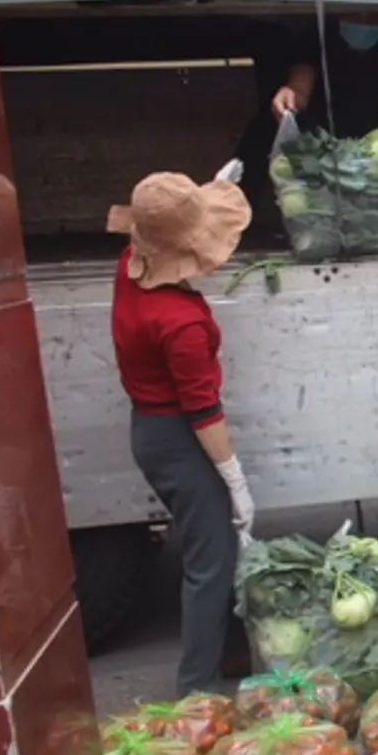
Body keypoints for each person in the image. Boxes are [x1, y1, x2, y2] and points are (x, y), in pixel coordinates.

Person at [108, 165, 257, 697]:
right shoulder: (179, 322)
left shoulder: (131, 265)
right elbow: (204, 413)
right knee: (210, 561)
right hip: (181, 440)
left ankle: (233, 652)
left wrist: (198, 192)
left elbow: (150, 226)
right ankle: (199, 689)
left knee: (215, 545)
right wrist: (236, 481)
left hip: (151, 427)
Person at [271, 11, 378, 135]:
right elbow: (299, 87)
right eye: (354, 12)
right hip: (324, 143)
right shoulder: (318, 36)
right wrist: (290, 96)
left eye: (373, 14)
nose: (363, 19)